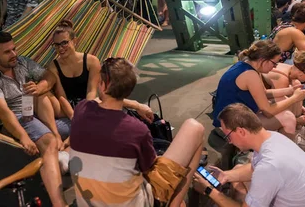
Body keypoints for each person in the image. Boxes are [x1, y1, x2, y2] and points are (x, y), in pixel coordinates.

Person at [69, 57, 205, 207]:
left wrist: (135, 105)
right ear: (129, 90)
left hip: (89, 202)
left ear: (102, 86)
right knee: (195, 128)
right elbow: (148, 167)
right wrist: (136, 105)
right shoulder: (136, 130)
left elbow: (95, 100)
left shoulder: (81, 109)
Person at [0, 31, 70, 207]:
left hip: (40, 114)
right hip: (19, 118)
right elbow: (5, 115)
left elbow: (49, 76)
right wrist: (23, 136)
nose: (14, 54)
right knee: (50, 142)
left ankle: (56, 157)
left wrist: (41, 86)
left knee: (83, 126)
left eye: (14, 49)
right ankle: (59, 203)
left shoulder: (23, 63)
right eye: (7, 52)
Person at [192, 103, 305, 207]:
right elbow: (254, 168)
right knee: (237, 172)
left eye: (228, 136)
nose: (230, 142)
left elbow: (263, 170)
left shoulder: (269, 166)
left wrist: (208, 190)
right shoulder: (272, 138)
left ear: (241, 131)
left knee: (236, 187)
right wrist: (226, 176)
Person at [24, 20, 154, 122]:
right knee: (42, 94)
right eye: (56, 45)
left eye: (64, 43)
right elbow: (61, 96)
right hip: (65, 107)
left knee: (101, 99)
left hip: (89, 101)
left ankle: (137, 105)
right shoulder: (53, 65)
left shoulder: (91, 61)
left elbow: (92, 91)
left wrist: (85, 110)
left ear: (74, 41)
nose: (60, 48)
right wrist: (73, 117)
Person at [212, 41, 305, 137]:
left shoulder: (245, 65)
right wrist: (294, 98)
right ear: (263, 60)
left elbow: (264, 93)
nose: (275, 67)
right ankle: (285, 147)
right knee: (288, 118)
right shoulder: (250, 75)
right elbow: (268, 112)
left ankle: (295, 134)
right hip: (230, 126)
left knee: (282, 100)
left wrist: (291, 91)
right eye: (274, 63)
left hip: (231, 118)